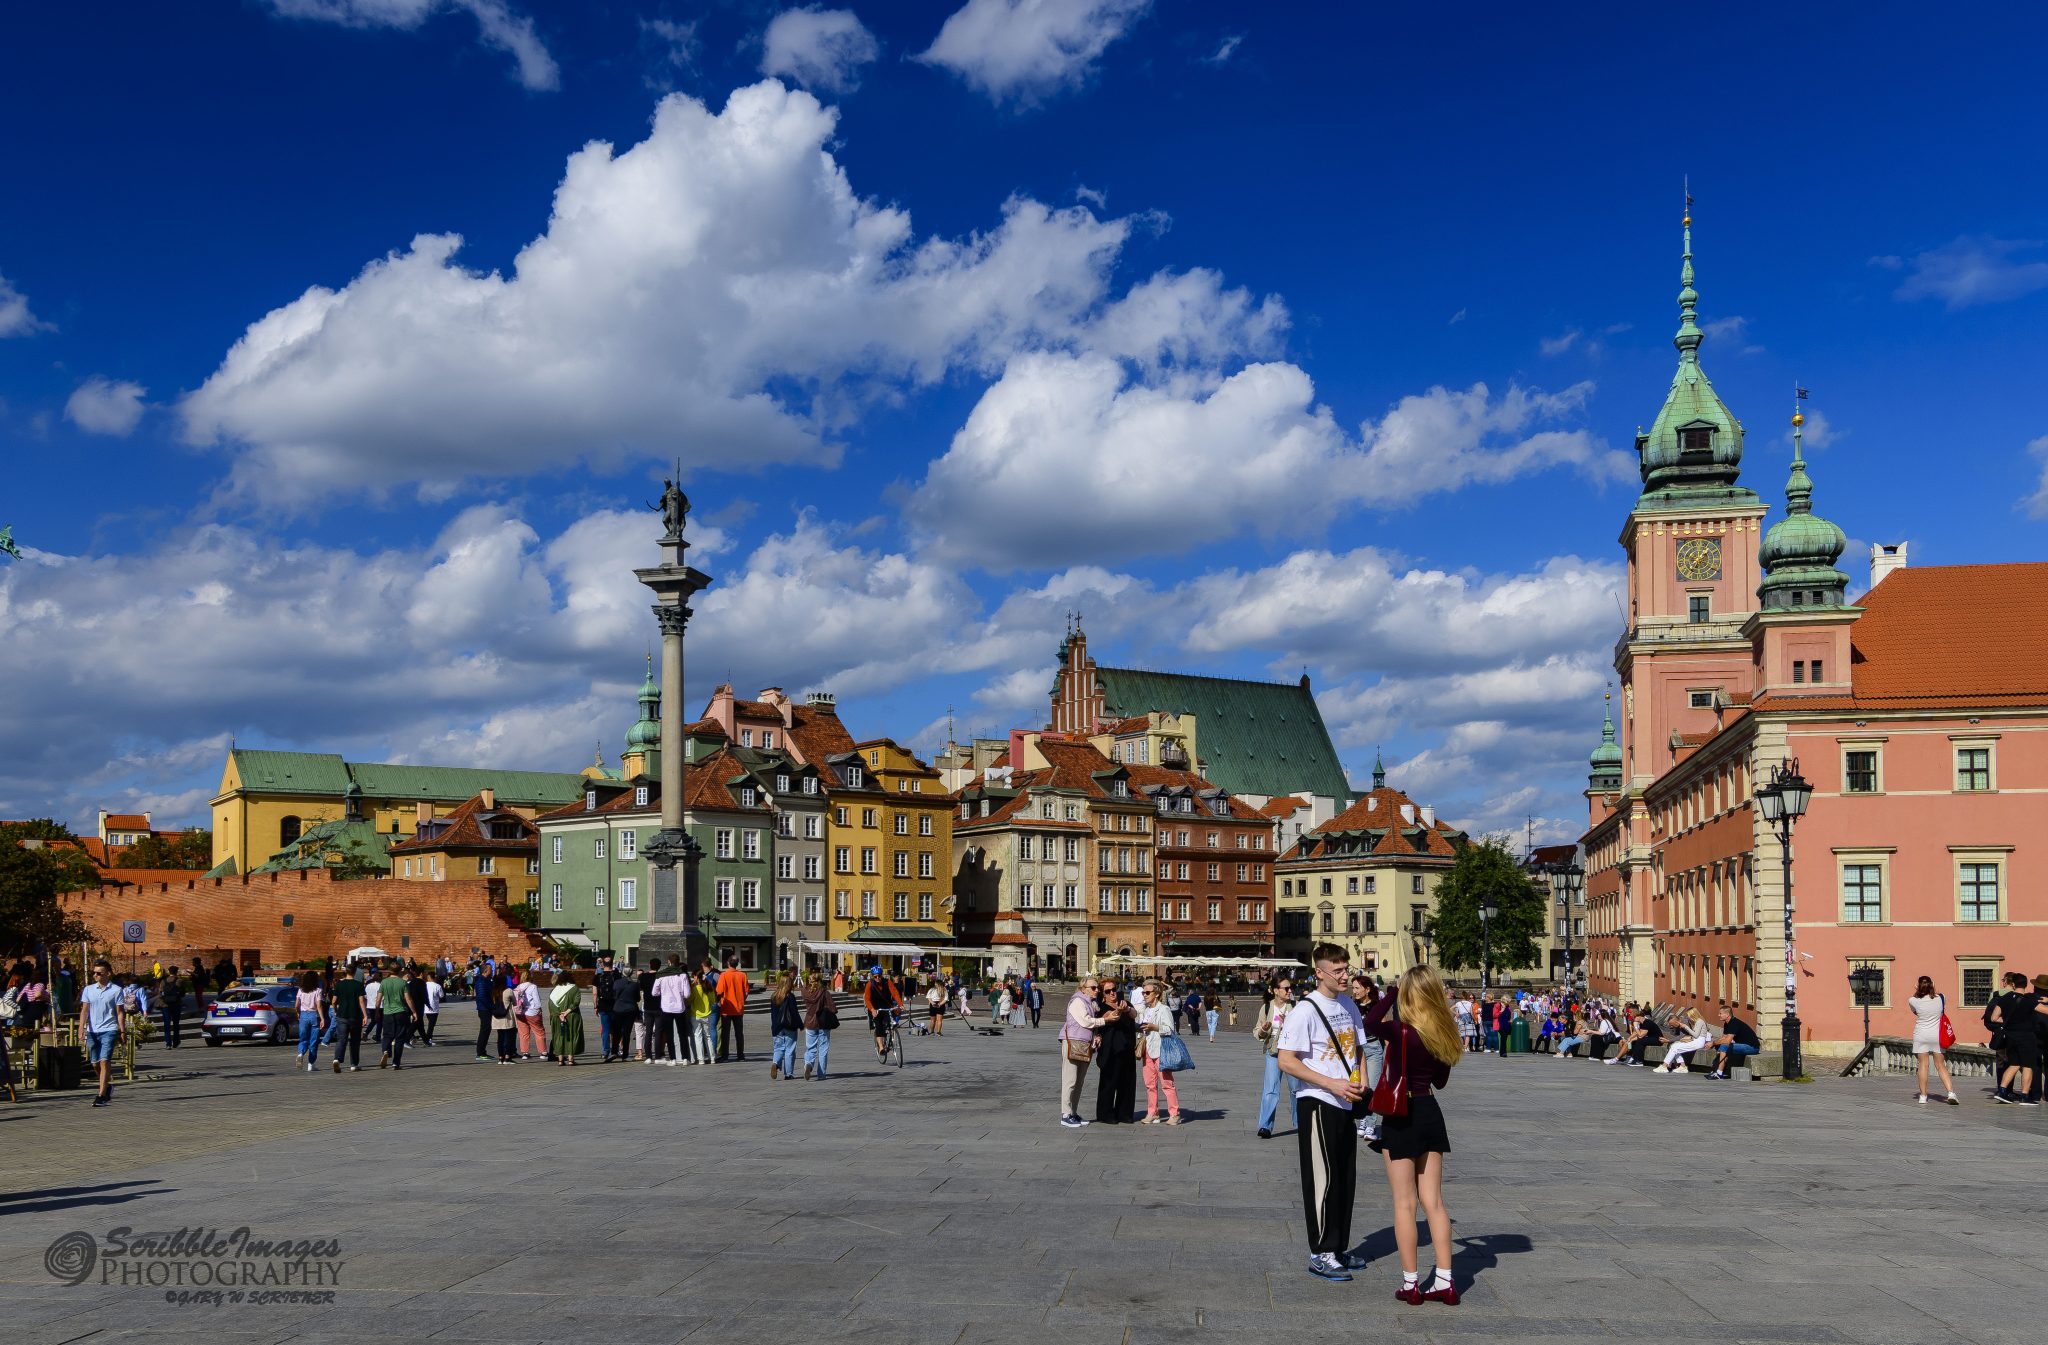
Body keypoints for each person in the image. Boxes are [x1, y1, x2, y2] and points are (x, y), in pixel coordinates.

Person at [1363, 965, 1463, 1304]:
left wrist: (1390, 992)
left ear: (1409, 993)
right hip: (1430, 1111)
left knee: (1405, 1204)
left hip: (1401, 1115)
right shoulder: (1444, 1031)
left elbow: (1369, 1023)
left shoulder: (1399, 1029)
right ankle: (1446, 1281)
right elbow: (1441, 1082)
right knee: (1434, 1202)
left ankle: (1411, 1284)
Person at [1275, 944, 1367, 1282]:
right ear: (1320, 973)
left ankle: (1339, 1247)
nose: (1345, 976)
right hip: (1318, 1101)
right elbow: (1287, 1060)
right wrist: (1330, 1083)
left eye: (1346, 969)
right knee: (1322, 1179)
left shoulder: (1347, 1004)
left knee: (1345, 1178)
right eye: (1338, 970)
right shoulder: (1305, 1011)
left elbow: (1358, 1048)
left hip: (1346, 1100)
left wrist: (1362, 1085)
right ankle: (1321, 1252)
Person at [1059, 975, 1107, 1127]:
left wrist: (1097, 1035)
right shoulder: (1078, 1001)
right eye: (1093, 988)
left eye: (1097, 988)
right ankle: (1065, 1114)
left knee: (1079, 1081)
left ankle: (1073, 1112)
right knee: (1070, 1080)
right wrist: (1105, 1020)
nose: (1097, 990)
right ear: (1083, 989)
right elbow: (1085, 1021)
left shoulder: (1091, 1003)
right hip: (1073, 1043)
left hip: (1084, 1044)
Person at [1254, 976, 1297, 1138]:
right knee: (1270, 1090)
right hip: (1273, 1053)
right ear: (1275, 991)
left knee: (1296, 1090)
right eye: (1286, 988)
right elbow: (1258, 1032)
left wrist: (1290, 1025)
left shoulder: (1295, 1006)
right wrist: (1264, 1029)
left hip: (1292, 1055)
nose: (1290, 991)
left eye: (1290, 988)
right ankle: (1265, 1126)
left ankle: (1300, 1122)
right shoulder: (1266, 1008)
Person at [79, 960, 126, 1108]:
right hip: (93, 1030)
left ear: (108, 974)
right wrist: (81, 1027)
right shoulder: (88, 989)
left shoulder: (116, 990)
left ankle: (101, 1095)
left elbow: (120, 1012)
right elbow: (84, 1010)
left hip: (109, 1029)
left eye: (99, 973)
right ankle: (107, 1086)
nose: (95, 975)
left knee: (104, 1060)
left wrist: (122, 1030)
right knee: (95, 1063)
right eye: (94, 973)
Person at [1137, 979, 1184, 1124]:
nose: (1144, 995)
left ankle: (1174, 1113)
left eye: (1147, 992)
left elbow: (1170, 1029)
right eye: (1143, 992)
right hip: (1147, 1051)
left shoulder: (1164, 1009)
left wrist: (1154, 1027)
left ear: (1156, 994)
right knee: (1149, 1084)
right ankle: (1153, 1112)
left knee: (1166, 1083)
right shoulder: (1145, 1010)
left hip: (1160, 1050)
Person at [1991, 974, 2041, 1105]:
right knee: (2028, 1066)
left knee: (2013, 1064)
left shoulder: (2005, 998)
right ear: (2026, 985)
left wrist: (2009, 1020)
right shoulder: (2029, 1001)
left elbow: (1994, 1018)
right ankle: (2025, 1096)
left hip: (2010, 1036)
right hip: (2026, 1037)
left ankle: (2002, 1091)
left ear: (2013, 984)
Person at [1093, 983, 1139, 1124]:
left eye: (1114, 989)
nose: (1112, 993)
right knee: (1109, 1082)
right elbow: (1111, 1017)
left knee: (1127, 1082)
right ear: (1103, 994)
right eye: (1108, 991)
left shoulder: (1125, 1003)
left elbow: (1134, 1015)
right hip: (1110, 1049)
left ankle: (1124, 1113)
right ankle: (1105, 1113)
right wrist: (1119, 1011)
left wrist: (1128, 1008)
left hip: (1127, 1048)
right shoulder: (1101, 1008)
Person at [864, 966, 904, 1063]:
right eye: (875, 976)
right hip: (875, 1008)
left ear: (882, 975)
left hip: (887, 1006)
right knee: (879, 1026)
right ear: (872, 976)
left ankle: (891, 1032)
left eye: (879, 976)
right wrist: (872, 1009)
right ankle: (881, 1047)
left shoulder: (887, 982)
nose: (878, 978)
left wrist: (900, 1004)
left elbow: (895, 993)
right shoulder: (870, 985)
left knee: (890, 1022)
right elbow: (867, 999)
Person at [800, 969, 834, 1080]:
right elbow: (833, 1008)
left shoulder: (804, 991)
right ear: (819, 981)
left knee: (810, 1048)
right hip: (823, 1023)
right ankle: (821, 1074)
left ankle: (808, 1064)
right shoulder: (824, 992)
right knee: (823, 1049)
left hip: (810, 1022)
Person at [378, 964, 414, 1069]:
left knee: (387, 1035)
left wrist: (376, 1010)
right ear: (400, 971)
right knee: (399, 1038)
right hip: (401, 1012)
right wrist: (414, 1011)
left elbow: (379, 998)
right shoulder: (403, 983)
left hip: (387, 1012)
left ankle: (385, 1050)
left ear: (390, 970)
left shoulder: (384, 982)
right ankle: (396, 1062)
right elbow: (408, 999)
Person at [715, 956, 750, 1062]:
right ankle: (741, 1055)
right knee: (739, 1033)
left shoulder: (724, 975)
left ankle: (725, 1055)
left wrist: (717, 1002)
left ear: (728, 963)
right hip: (739, 1008)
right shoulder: (743, 975)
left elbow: (719, 991)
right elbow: (746, 991)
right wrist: (741, 1000)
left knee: (725, 1033)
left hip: (726, 1009)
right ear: (737, 964)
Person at [1656, 1009, 1713, 1074]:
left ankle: (1664, 1066)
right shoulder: (1697, 1021)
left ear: (1693, 1014)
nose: (1687, 1017)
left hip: (1698, 1041)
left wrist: (1685, 1027)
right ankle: (1682, 1066)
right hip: (1696, 1041)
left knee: (1675, 1047)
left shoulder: (1699, 1021)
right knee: (1674, 1046)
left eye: (1688, 1015)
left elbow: (1696, 1035)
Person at [769, 971, 802, 1080]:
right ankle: (788, 1074)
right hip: (789, 1026)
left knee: (778, 1048)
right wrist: (800, 1024)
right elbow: (794, 1013)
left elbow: (772, 1014)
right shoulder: (790, 996)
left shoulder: (774, 996)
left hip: (777, 1027)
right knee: (790, 1049)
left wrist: (773, 1026)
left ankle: (775, 1063)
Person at [294, 971, 327, 1073]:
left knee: (303, 1038)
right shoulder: (318, 990)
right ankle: (311, 1064)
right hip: (314, 1015)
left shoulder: (301, 990)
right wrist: (322, 1018)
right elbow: (319, 1006)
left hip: (303, 1015)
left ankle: (300, 1053)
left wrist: (298, 1013)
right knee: (313, 1041)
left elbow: (296, 1005)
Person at [548, 971, 583, 1066]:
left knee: (559, 1036)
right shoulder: (574, 988)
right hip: (572, 1016)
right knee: (571, 1036)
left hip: (557, 1017)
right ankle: (571, 1060)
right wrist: (567, 1012)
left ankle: (560, 1060)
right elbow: (576, 1001)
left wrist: (559, 1014)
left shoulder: (555, 989)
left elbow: (551, 1004)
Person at [609, 963, 640, 1064]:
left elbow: (613, 995)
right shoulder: (635, 985)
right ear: (631, 973)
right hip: (630, 1010)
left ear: (622, 972)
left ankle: (614, 1051)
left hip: (618, 1009)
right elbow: (638, 998)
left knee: (616, 1031)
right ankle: (625, 1055)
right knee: (627, 1033)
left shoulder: (617, 983)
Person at [513, 972, 547, 1061]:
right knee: (539, 1032)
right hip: (532, 1012)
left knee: (523, 1033)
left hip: (520, 1012)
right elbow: (537, 1000)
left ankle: (525, 1053)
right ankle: (543, 1052)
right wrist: (539, 1009)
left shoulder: (518, 987)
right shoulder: (533, 986)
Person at [594, 957, 618, 1063]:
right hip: (615, 1005)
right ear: (612, 964)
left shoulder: (597, 977)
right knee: (615, 1029)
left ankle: (605, 1051)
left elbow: (595, 993)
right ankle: (615, 1050)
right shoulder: (617, 975)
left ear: (602, 965)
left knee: (605, 1029)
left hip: (603, 1005)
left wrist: (595, 1006)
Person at [472, 966, 498, 1062]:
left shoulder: (487, 980)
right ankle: (480, 1053)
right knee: (484, 1030)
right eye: (491, 969)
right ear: (486, 971)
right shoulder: (481, 981)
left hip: (487, 1008)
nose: (492, 971)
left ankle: (482, 1051)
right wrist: (492, 1006)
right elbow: (482, 997)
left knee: (486, 1030)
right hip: (484, 1009)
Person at [158, 968, 183, 1049]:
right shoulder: (179, 981)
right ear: (176, 972)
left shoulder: (163, 981)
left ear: (169, 972)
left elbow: (160, 993)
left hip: (165, 1005)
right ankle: (176, 1042)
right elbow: (183, 993)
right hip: (176, 1004)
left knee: (167, 1024)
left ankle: (168, 1043)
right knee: (176, 1023)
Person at [421, 969, 442, 1045]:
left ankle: (426, 1037)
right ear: (434, 977)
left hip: (425, 1007)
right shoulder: (437, 986)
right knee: (431, 1024)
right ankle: (428, 1038)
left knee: (429, 1023)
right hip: (434, 1007)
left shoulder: (424, 984)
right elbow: (441, 995)